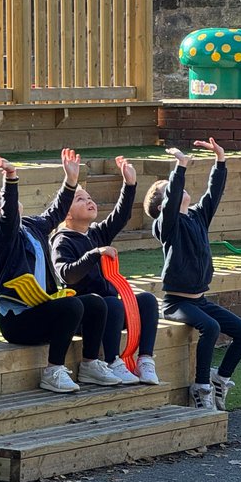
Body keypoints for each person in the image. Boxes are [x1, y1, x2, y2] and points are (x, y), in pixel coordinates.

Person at [0, 150, 121, 393]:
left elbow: (56, 211)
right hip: (19, 322)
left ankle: (90, 364)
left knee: (96, 303)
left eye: (4, 196)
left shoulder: (31, 226)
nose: (4, 198)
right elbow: (9, 218)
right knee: (71, 305)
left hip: (42, 312)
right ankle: (53, 371)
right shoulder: (0, 235)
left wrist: (71, 181)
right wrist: (10, 177)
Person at [143, 138, 241, 411]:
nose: (180, 189)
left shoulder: (197, 216)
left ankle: (220, 378)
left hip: (199, 301)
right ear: (162, 204)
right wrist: (179, 166)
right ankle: (201, 386)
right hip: (176, 303)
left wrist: (220, 160)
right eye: (170, 190)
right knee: (211, 327)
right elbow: (170, 205)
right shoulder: (165, 225)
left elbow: (213, 193)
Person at [51, 156, 159, 386]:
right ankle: (112, 361)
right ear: (66, 213)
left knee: (148, 301)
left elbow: (121, 217)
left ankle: (146, 360)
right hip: (88, 317)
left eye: (90, 198)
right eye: (80, 199)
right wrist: (94, 254)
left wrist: (129, 185)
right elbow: (66, 274)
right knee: (111, 302)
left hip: (113, 313)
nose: (89, 202)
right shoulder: (61, 241)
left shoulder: (96, 232)